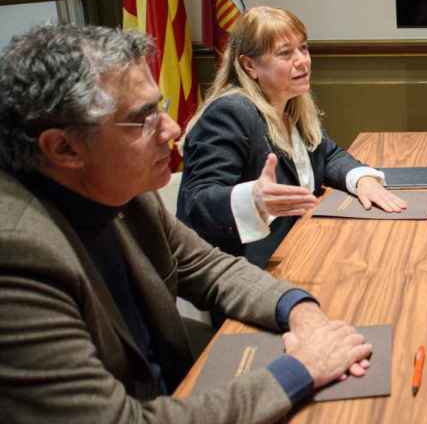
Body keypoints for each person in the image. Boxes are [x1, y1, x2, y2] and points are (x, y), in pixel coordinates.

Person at [0, 24, 373, 422]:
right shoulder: (17, 255)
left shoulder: (123, 190)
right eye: (143, 118)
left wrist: (301, 311)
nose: (174, 129)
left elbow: (210, 269)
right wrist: (301, 369)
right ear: (63, 147)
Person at [178, 6, 406, 268]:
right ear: (249, 65)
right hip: (248, 268)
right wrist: (252, 198)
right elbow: (196, 201)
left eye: (304, 48)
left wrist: (362, 179)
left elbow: (327, 153)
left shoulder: (291, 104)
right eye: (285, 53)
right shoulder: (231, 112)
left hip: (303, 244)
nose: (302, 60)